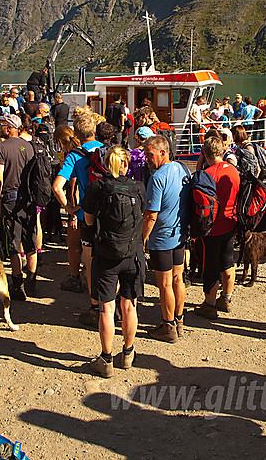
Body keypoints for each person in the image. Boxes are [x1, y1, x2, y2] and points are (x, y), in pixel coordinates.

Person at [82, 147, 146, 377]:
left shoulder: (97, 188)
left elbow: (89, 221)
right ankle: (128, 353)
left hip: (107, 254)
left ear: (107, 165)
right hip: (132, 253)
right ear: (127, 165)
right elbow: (144, 213)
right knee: (130, 305)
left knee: (107, 308)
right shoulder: (138, 187)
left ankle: (106, 358)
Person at [52, 114, 104, 324]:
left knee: (91, 263)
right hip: (110, 214)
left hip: (86, 214)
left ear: (77, 134)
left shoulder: (74, 156)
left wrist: (70, 208)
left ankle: (95, 307)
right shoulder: (107, 149)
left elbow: (57, 186)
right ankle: (114, 302)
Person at [143, 135, 190, 342]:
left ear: (163, 152)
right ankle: (179, 320)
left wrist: (143, 238)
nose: (147, 159)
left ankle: (168, 326)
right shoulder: (182, 169)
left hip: (162, 237)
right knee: (178, 278)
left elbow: (151, 214)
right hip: (180, 234)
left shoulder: (157, 178)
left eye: (150, 155)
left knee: (164, 284)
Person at [0, 114, 36, 301]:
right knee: (30, 239)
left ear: (9, 128)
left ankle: (18, 284)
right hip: (29, 200)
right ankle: (32, 281)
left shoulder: (1, 148)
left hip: (10, 200)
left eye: (2, 125)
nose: (0, 127)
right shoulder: (29, 147)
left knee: (14, 242)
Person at [194, 136, 240, 319]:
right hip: (231, 222)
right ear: (223, 150)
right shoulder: (234, 171)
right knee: (227, 261)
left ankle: (209, 304)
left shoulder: (207, 174)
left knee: (210, 265)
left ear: (205, 154)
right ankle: (226, 298)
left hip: (212, 227)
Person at [53, 125, 85, 293]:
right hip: (92, 207)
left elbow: (70, 188)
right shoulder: (88, 150)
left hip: (79, 209)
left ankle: (75, 277)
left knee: (73, 244)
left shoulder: (72, 156)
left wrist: (70, 211)